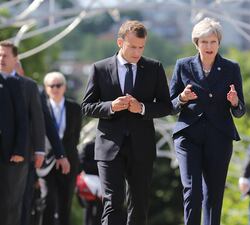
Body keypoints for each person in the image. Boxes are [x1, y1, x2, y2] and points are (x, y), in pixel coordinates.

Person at [81, 20, 172, 225]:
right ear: (120, 42)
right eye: (132, 47)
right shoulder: (100, 68)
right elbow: (86, 107)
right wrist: (111, 106)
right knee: (113, 201)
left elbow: (166, 106)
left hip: (142, 146)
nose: (137, 52)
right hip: (109, 146)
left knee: (139, 204)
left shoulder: (154, 68)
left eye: (141, 47)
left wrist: (141, 108)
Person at [170, 17, 246, 225]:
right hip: (188, 136)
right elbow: (170, 105)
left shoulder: (231, 68)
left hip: (219, 137)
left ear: (219, 43)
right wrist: (182, 98)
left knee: (214, 194)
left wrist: (234, 101)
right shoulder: (183, 66)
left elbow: (240, 111)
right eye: (204, 42)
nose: (209, 46)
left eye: (213, 42)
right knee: (192, 191)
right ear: (197, 43)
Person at [40, 71, 82, 225]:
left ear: (64, 87)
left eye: (59, 85)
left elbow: (75, 137)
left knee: (65, 204)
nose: (55, 88)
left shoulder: (75, 108)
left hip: (69, 163)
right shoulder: (41, 108)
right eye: (52, 85)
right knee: (48, 202)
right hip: (46, 162)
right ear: (46, 88)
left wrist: (65, 155)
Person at [0, 42, 29, 225]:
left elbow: (22, 119)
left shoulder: (14, 83)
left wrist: (19, 150)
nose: (1, 59)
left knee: (8, 203)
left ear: (14, 59)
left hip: (9, 154)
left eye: (5, 55)